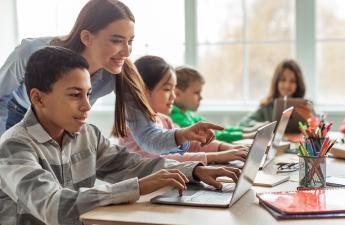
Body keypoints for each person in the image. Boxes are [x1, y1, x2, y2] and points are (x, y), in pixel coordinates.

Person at [0, 46, 240, 225]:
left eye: (88, 94)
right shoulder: (13, 147)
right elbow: (55, 207)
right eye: (75, 95)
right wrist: (138, 187)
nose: (87, 106)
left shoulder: (87, 134)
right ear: (38, 98)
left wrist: (194, 170)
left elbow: (132, 165)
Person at [0, 0, 221, 155]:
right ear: (86, 37)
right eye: (116, 40)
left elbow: (146, 136)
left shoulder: (119, 72)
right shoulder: (31, 51)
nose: (126, 52)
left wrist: (183, 134)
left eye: (130, 41)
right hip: (16, 117)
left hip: (62, 126)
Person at [117, 55, 248, 165]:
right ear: (142, 90)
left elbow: (191, 144)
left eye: (174, 90)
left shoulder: (164, 120)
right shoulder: (133, 129)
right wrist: (216, 156)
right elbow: (160, 161)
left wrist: (226, 148)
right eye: (167, 89)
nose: (174, 96)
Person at [170, 66, 258, 143]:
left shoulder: (189, 114)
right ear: (177, 94)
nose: (201, 98)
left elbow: (217, 129)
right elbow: (212, 136)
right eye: (197, 93)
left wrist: (246, 130)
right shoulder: (174, 117)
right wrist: (247, 135)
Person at [239, 59, 312, 127]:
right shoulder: (267, 106)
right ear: (276, 82)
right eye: (283, 80)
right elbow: (243, 123)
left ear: (298, 84)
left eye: (292, 81)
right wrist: (261, 125)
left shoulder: (305, 106)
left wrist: (311, 119)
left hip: (297, 140)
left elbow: (321, 128)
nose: (287, 85)